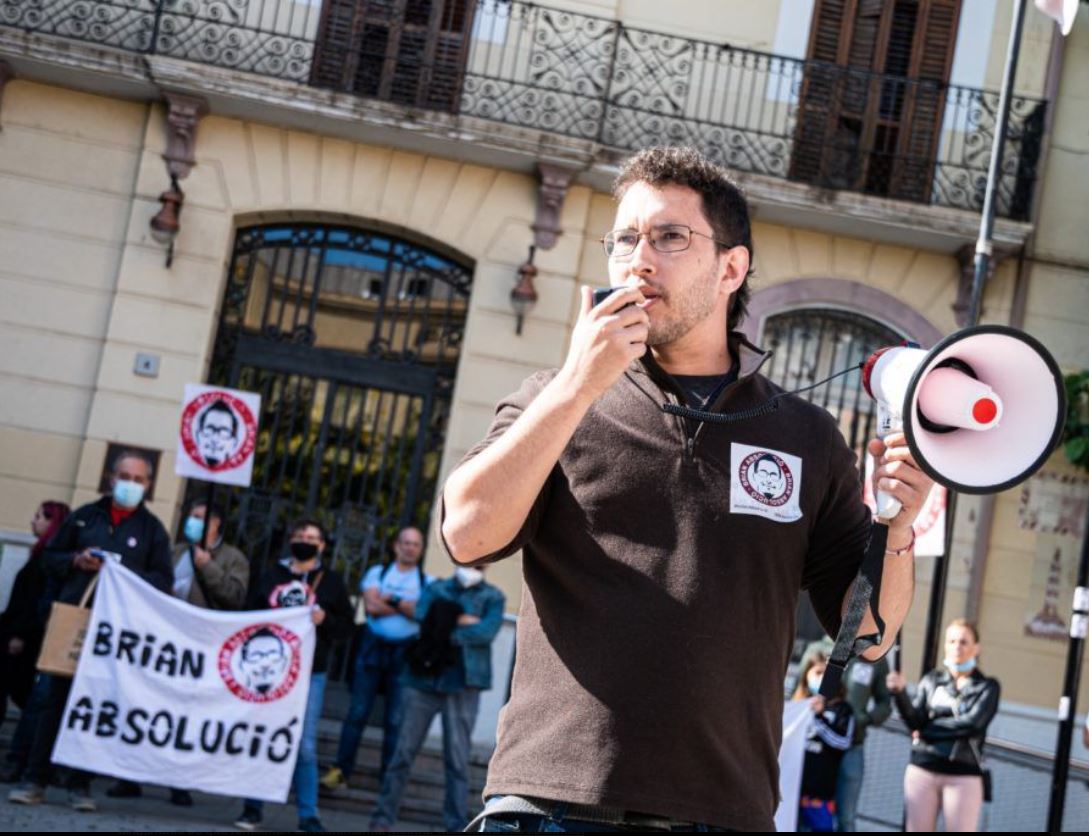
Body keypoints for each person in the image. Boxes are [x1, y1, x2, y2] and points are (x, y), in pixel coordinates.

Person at [441, 146, 934, 831]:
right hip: (549, 802)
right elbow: (466, 534)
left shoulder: (808, 436)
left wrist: (898, 529)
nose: (638, 260)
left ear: (730, 267)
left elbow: (866, 637)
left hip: (721, 812)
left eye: (669, 237)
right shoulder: (549, 400)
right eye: (624, 239)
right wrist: (578, 384)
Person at [8, 451, 173, 812]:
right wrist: (75, 561)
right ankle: (34, 779)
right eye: (124, 476)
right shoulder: (84, 518)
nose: (130, 484)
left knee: (95, 707)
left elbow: (163, 581)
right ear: (111, 478)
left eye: (139, 479)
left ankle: (79, 785)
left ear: (148, 486)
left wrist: (124, 575)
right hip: (75, 622)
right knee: (54, 701)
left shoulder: (152, 531)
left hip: (117, 633)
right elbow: (48, 559)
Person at [106, 499, 249, 805]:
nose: (192, 522)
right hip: (166, 642)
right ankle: (130, 776)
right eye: (191, 516)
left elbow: (235, 597)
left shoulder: (232, 558)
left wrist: (207, 567)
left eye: (200, 517)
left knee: (185, 714)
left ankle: (177, 782)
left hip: (200, 646)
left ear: (216, 524)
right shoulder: (177, 551)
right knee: (148, 705)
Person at [232, 518, 353, 834]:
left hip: (311, 672)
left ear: (322, 545)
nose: (305, 540)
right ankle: (253, 808)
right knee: (264, 735)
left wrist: (324, 619)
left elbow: (346, 629)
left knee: (305, 745)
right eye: (300, 535)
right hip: (270, 671)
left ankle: (308, 815)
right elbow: (249, 615)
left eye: (312, 537)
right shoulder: (272, 575)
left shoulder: (332, 582)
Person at [368, 565, 505, 833]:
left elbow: (485, 633)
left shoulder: (493, 596)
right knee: (402, 753)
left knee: (457, 760)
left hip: (464, 685)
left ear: (486, 565)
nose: (472, 565)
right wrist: (462, 619)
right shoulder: (437, 587)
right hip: (422, 680)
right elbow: (421, 613)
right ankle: (382, 818)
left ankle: (455, 825)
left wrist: (442, 622)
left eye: (479, 561)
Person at [321, 527, 431, 793]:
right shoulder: (376, 573)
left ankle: (388, 780)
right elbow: (371, 607)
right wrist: (403, 605)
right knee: (357, 712)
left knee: (395, 719)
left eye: (415, 544)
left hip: (404, 654)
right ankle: (341, 771)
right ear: (396, 546)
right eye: (405, 542)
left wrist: (388, 600)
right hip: (372, 650)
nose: (409, 548)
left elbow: (419, 613)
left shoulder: (427, 582)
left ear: (420, 549)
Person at [887, 619, 999, 832]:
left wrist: (927, 731)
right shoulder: (931, 680)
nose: (957, 646)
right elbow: (915, 721)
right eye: (952, 640)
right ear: (945, 645)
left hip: (963, 773)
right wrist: (900, 694)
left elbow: (972, 724)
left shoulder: (987, 687)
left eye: (964, 641)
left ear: (976, 648)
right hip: (923, 767)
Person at [0, 501, 70, 783]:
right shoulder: (42, 555)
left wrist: (18, 633)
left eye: (39, 517)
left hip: (25, 637)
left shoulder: (46, 559)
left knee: (31, 698)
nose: (33, 521)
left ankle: (27, 759)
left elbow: (32, 601)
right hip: (20, 632)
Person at [801, 635, 892, 831]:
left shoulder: (874, 656)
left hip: (852, 747)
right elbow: (799, 688)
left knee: (845, 817)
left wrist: (862, 719)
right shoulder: (817, 648)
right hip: (815, 749)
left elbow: (885, 704)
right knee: (802, 812)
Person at [792, 652, 855, 832]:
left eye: (825, 673)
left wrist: (819, 717)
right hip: (792, 793)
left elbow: (843, 742)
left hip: (819, 798)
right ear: (806, 675)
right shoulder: (797, 705)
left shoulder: (842, 709)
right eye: (817, 673)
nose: (821, 678)